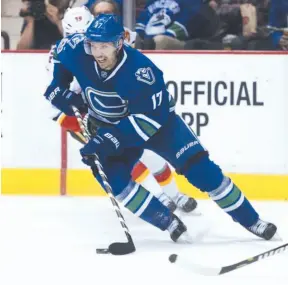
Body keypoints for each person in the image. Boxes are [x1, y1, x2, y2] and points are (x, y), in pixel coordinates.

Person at [44, 14, 277, 242]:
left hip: (161, 126)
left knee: (202, 171)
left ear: (119, 43)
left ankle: (252, 221)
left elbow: (147, 121)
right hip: (107, 123)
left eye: (104, 46)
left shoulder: (142, 72)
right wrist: (59, 88)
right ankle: (168, 222)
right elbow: (60, 57)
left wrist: (108, 139)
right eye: (94, 46)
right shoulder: (76, 49)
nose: (98, 53)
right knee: (112, 179)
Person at [49, 3, 198, 214]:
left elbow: (133, 56)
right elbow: (54, 104)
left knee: (150, 154)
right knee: (125, 160)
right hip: (91, 118)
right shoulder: (59, 54)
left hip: (122, 108)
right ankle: (159, 198)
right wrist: (83, 123)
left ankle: (176, 195)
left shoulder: (112, 37)